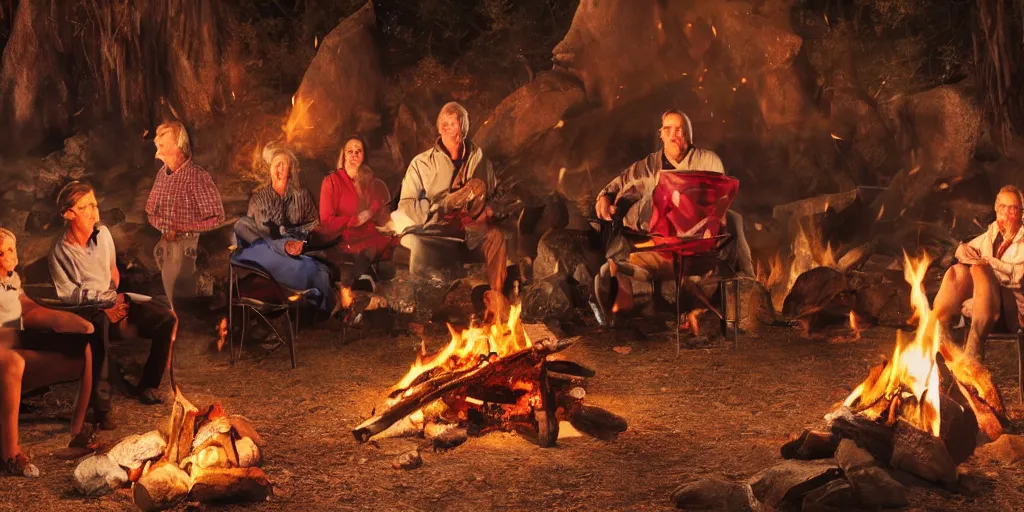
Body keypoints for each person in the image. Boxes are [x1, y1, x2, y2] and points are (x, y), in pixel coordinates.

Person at [593, 109, 753, 323]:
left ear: (688, 133)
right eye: (668, 129)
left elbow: (721, 199)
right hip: (660, 246)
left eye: (679, 129)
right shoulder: (649, 166)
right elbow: (616, 185)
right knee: (610, 270)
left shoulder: (708, 161)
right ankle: (632, 319)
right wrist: (605, 197)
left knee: (734, 219)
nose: (673, 135)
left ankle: (750, 286)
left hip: (698, 245)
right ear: (661, 134)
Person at [50, 181, 178, 412]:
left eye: (94, 205)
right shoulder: (61, 251)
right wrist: (103, 304)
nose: (93, 212)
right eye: (84, 207)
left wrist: (116, 299)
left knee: (165, 317)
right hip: (89, 310)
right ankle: (100, 405)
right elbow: (68, 294)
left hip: (114, 299)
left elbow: (113, 273)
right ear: (68, 213)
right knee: (98, 326)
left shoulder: (104, 234)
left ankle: (148, 385)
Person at [392, 102, 508, 317]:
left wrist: (492, 208)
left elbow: (496, 195)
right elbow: (406, 205)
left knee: (496, 237)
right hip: (436, 231)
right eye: (443, 123)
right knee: (416, 247)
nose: (447, 127)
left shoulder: (481, 160)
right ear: (438, 128)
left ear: (464, 126)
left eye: (453, 122)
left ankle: (495, 302)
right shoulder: (422, 163)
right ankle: (423, 312)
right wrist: (443, 205)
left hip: (470, 229)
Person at [1, 228, 95, 477]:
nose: (6, 257)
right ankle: (10, 454)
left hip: (16, 337)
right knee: (12, 361)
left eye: (10, 250)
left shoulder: (12, 281)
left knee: (82, 342)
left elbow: (26, 308)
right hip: (4, 346)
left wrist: (62, 319)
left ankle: (77, 431)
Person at [232, 145, 337, 313]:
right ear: (270, 170)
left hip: (299, 248)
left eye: (284, 164)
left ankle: (320, 305)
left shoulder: (301, 194)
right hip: (269, 251)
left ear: (291, 169)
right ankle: (314, 298)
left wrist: (301, 240)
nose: (280, 168)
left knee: (320, 269)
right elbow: (256, 231)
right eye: (276, 164)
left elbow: (313, 223)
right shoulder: (259, 199)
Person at [932, 185, 1024, 362]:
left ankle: (974, 347)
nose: (1007, 213)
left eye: (1013, 208)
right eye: (1002, 207)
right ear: (996, 209)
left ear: (1021, 212)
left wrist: (987, 264)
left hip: (1015, 315)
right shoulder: (992, 234)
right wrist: (962, 251)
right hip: (988, 303)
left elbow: (1017, 277)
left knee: (979, 270)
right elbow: (968, 250)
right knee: (956, 271)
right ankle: (942, 337)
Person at [145, 120, 225, 309]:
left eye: (163, 139)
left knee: (176, 265)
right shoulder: (162, 175)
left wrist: (182, 229)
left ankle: (182, 310)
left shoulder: (197, 177)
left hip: (191, 241)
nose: (157, 142)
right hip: (166, 239)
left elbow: (216, 217)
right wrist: (166, 229)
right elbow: (150, 212)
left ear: (177, 145)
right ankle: (174, 311)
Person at [317, 136, 394, 287]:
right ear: (343, 155)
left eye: (358, 151)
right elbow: (327, 220)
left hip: (368, 236)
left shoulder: (370, 181)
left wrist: (373, 213)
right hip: (342, 237)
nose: (354, 155)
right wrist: (355, 220)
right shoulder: (332, 181)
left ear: (364, 155)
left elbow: (378, 207)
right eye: (350, 151)